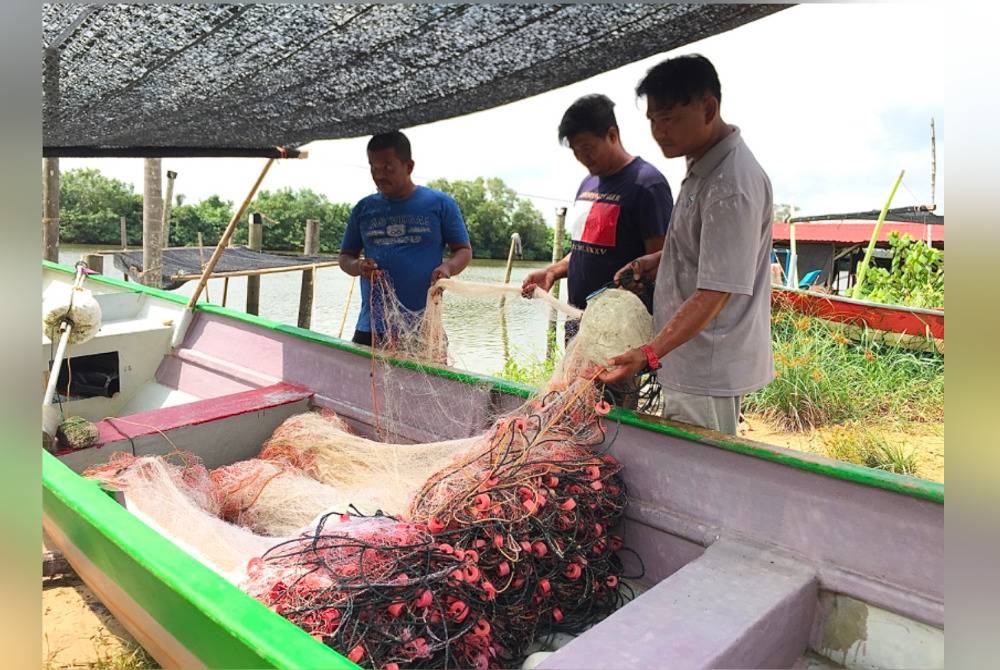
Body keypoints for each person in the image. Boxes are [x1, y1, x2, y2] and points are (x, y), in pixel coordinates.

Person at [598, 54, 774, 435]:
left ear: (709, 109)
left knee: (705, 478)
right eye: (652, 121)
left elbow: (716, 291)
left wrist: (647, 354)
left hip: (705, 369)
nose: (660, 132)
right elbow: (705, 250)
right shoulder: (701, 167)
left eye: (670, 119)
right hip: (687, 359)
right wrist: (656, 260)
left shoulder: (731, 184)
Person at [522, 94, 672, 334]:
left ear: (612, 135)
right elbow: (584, 250)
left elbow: (662, 262)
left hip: (620, 330)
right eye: (575, 150)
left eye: (587, 148)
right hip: (578, 321)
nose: (582, 157)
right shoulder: (587, 184)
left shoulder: (647, 184)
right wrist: (551, 272)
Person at [339, 130, 472, 348]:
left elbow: (464, 251)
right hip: (372, 328)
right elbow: (345, 258)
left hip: (425, 326)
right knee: (363, 382)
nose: (380, 174)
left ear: (409, 167)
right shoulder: (363, 209)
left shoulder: (440, 204)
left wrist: (448, 268)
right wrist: (359, 266)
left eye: (388, 167)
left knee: (429, 382)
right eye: (374, 167)